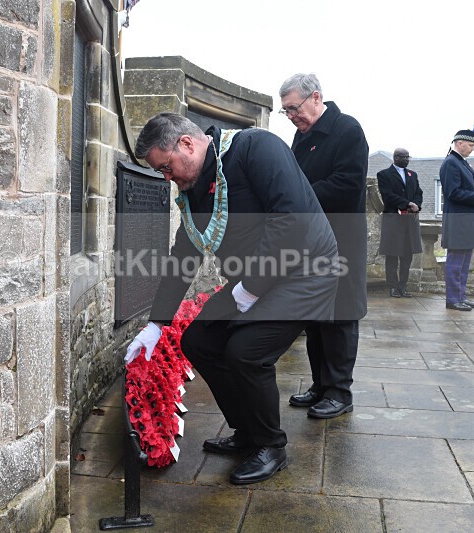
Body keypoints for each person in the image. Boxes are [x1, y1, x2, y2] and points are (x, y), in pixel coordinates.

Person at [125, 112, 340, 485]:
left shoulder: (256, 148)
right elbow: (184, 256)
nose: (167, 178)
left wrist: (250, 288)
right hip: (253, 281)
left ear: (187, 144)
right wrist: (156, 325)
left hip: (307, 272)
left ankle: (271, 447)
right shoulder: (192, 187)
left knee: (247, 351)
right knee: (200, 340)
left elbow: (292, 220)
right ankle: (247, 432)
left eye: (166, 167)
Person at [278, 73, 368, 419]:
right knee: (314, 314)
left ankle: (339, 391)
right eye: (285, 112)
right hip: (310, 240)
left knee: (341, 315)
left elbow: (346, 185)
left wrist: (297, 198)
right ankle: (319, 384)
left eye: (293, 108)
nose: (291, 117)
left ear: (315, 97)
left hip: (341, 238)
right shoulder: (300, 138)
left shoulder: (347, 130)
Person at [439, 126, 474, 311]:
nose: (473, 148)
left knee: (464, 263)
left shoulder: (461, 163)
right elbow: (453, 192)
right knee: (455, 262)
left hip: (466, 220)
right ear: (459, 143)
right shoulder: (451, 163)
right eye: (470, 145)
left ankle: (461, 296)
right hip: (457, 220)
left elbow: (466, 189)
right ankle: (453, 299)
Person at [377, 148, 423, 298]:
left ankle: (403, 286)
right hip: (393, 220)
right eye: (404, 157)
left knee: (407, 256)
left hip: (409, 220)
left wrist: (416, 204)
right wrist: (407, 203)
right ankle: (392, 287)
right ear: (396, 157)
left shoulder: (412, 175)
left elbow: (418, 193)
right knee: (392, 255)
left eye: (408, 157)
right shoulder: (384, 175)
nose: (407, 160)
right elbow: (388, 195)